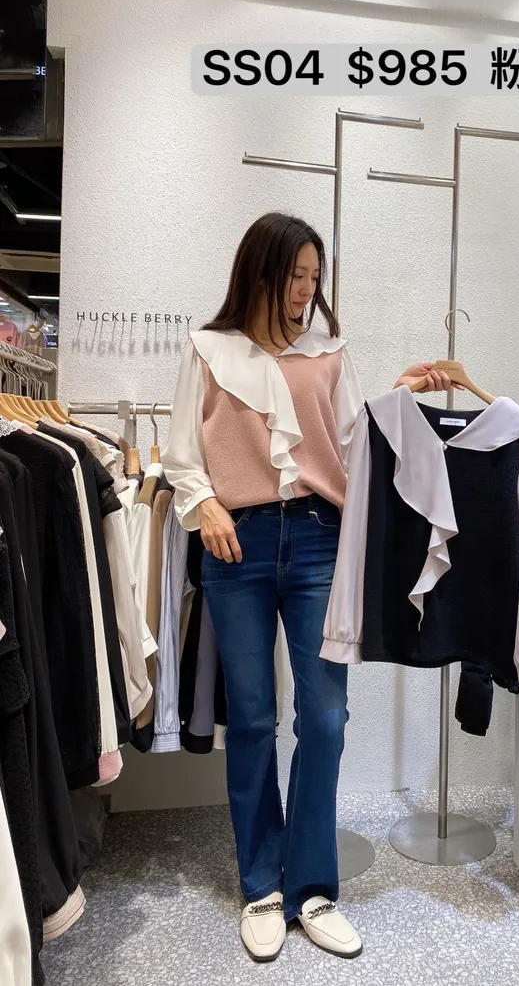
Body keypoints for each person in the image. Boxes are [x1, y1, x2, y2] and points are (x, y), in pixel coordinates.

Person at [163, 212, 452, 962]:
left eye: (314, 276)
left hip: (321, 539)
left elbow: (355, 443)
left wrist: (398, 394)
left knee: (324, 716)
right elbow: (180, 453)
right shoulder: (208, 349)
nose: (304, 290)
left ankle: (313, 888)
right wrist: (204, 503)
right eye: (294, 274)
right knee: (253, 718)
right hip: (238, 544)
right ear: (258, 272)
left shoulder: (328, 354)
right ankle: (262, 884)